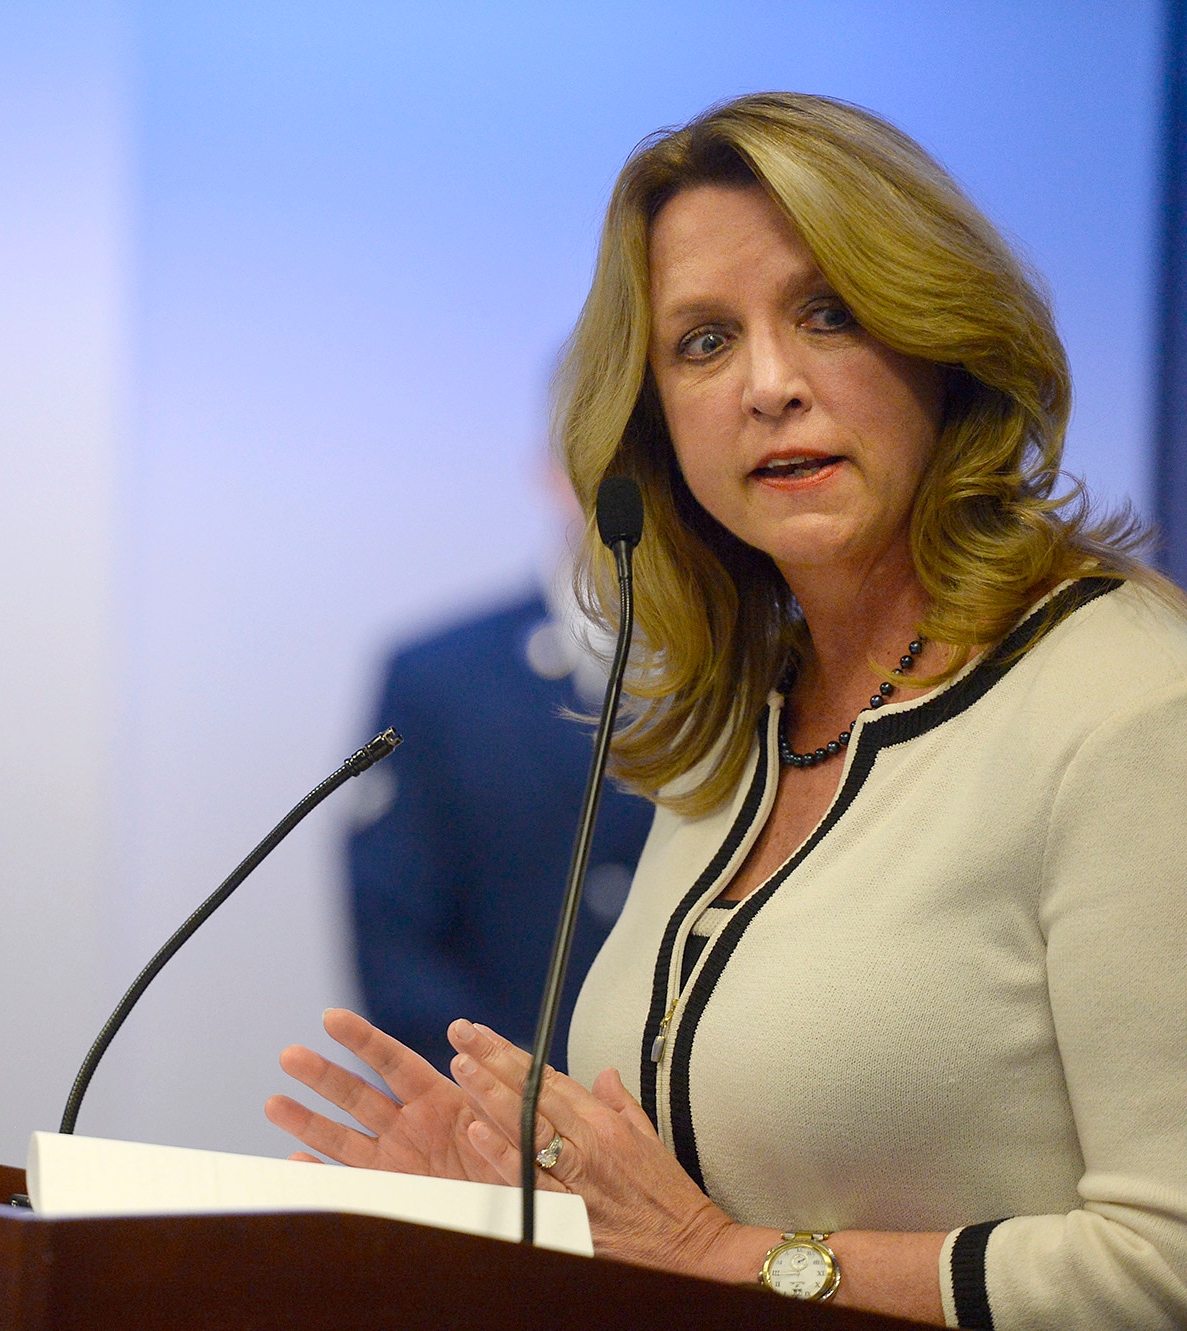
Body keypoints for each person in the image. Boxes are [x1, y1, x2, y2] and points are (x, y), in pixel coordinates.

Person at [268, 92, 1187, 1327]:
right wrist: (500, 1207)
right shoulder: (742, 718)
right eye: (702, 341)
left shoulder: (1129, 706)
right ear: (653, 423)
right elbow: (679, 1194)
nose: (768, 385)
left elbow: (1164, 1262)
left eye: (828, 312)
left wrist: (722, 1253)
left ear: (944, 340)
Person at [347, 551, 654, 1073]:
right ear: (557, 471)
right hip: (497, 1116)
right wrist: (492, 1099)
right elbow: (395, 925)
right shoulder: (438, 674)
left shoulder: (777, 658)